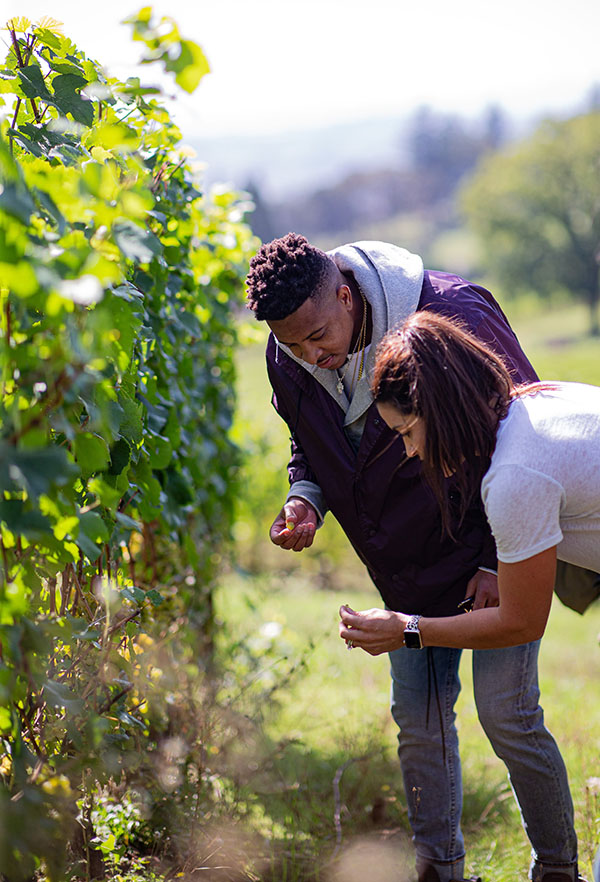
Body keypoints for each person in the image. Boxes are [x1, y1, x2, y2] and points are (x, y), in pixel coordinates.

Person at [245, 232, 591, 882]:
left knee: (507, 714)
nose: (309, 356)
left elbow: (515, 426)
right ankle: (439, 866)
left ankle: (557, 869)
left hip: (493, 548)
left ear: (344, 295)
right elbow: (309, 439)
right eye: (292, 346)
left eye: (317, 335)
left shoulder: (456, 311)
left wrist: (492, 561)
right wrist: (305, 497)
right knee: (419, 721)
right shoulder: (290, 353)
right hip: (401, 565)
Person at [341, 310, 600, 653]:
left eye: (408, 432)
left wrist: (407, 629)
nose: (411, 450)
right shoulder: (537, 401)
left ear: (441, 408)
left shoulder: (514, 475)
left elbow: (521, 622)